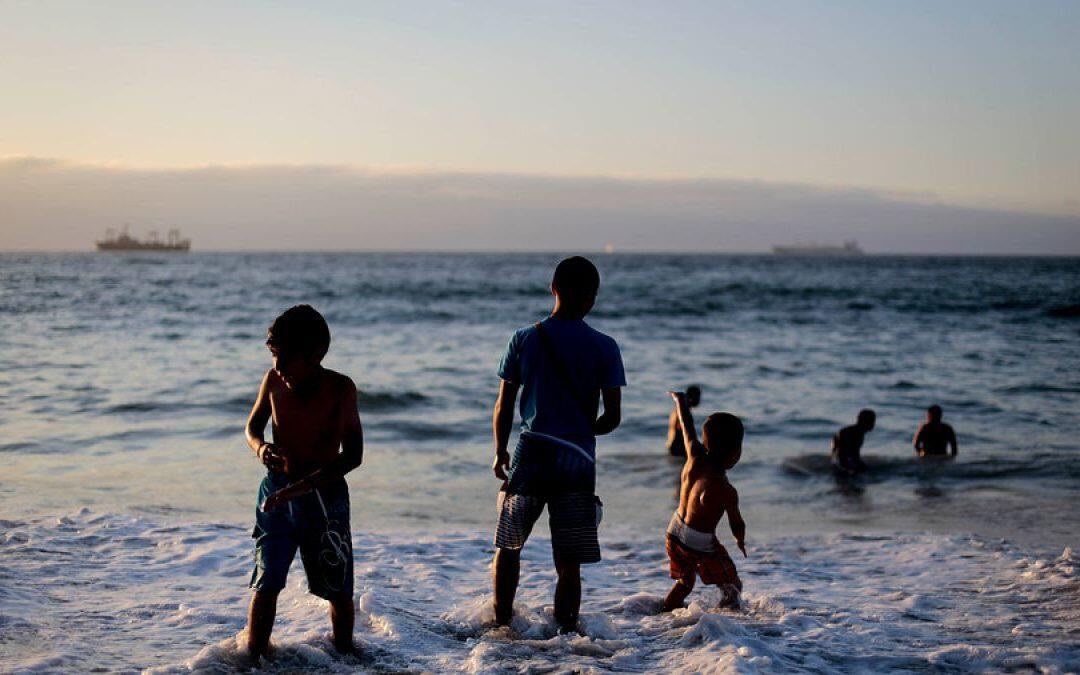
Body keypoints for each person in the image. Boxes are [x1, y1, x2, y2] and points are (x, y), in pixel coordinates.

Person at [490, 256, 626, 634]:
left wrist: (500, 449)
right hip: (577, 459)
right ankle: (567, 636)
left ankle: (501, 625)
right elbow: (612, 417)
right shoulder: (605, 347)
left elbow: (503, 404)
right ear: (593, 298)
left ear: (553, 288)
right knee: (569, 560)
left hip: (530, 453)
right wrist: (581, 430)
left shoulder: (524, 338)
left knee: (510, 545)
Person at [242, 305, 364, 661]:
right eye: (274, 356)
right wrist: (261, 447)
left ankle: (345, 661)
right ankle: (254, 660)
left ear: (315, 356)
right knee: (267, 582)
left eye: (286, 358)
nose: (279, 368)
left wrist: (304, 487)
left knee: (338, 588)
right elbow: (251, 428)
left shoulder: (340, 389)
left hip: (325, 496)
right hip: (276, 493)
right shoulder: (272, 381)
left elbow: (353, 455)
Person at [662, 391, 746, 611]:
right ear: (735, 453)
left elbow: (686, 424)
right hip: (698, 543)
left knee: (685, 583)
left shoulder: (694, 454)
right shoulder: (726, 489)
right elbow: (736, 522)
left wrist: (680, 401)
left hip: (674, 531)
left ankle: (664, 613)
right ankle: (727, 626)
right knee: (733, 587)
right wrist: (740, 540)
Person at [831, 409, 876, 474]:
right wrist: (854, 468)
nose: (873, 424)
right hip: (843, 463)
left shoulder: (853, 431)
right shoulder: (855, 434)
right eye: (872, 421)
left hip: (837, 461)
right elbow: (847, 453)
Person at [666, 385, 702, 456]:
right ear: (692, 397)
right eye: (698, 397)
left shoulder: (678, 410)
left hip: (672, 445)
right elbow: (684, 430)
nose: (699, 400)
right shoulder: (684, 412)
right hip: (678, 447)